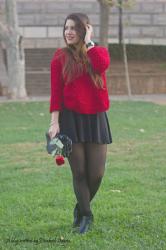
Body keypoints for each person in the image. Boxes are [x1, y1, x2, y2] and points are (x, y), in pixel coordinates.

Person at [48, 13, 112, 234]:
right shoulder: (59, 57)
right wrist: (54, 122)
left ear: (85, 30)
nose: (69, 32)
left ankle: (80, 206)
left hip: (96, 118)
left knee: (97, 173)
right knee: (80, 173)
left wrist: (89, 43)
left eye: (75, 28)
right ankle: (86, 215)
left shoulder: (97, 52)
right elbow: (56, 93)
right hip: (70, 119)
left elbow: (102, 64)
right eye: (66, 28)